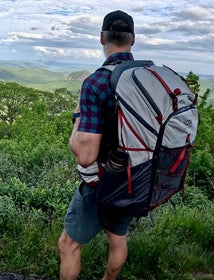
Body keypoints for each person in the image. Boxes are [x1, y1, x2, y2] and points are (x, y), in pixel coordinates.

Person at [58, 10, 136, 280]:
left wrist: (77, 118)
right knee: (117, 240)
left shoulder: (97, 82)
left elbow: (85, 156)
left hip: (103, 182)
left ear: (102, 38)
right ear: (133, 40)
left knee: (68, 245)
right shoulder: (145, 78)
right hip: (136, 178)